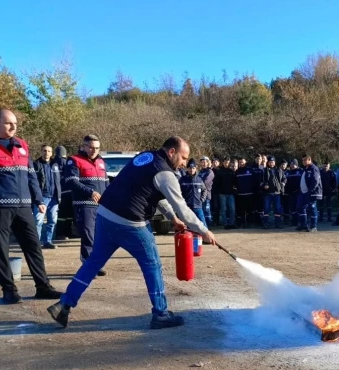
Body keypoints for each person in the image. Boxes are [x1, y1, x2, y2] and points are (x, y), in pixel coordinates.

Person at [47, 137, 217, 330]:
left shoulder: (145, 157)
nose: (185, 163)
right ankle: (161, 313)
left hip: (105, 214)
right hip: (130, 222)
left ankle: (65, 304)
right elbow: (183, 208)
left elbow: (151, 192)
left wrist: (171, 218)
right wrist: (204, 231)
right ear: (171, 152)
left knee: (94, 262)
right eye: (183, 157)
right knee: (152, 264)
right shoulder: (166, 173)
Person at [0, 108, 62, 304]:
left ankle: (43, 286)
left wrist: (38, 200)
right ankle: (9, 290)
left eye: (15, 124)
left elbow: (31, 176)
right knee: (1, 250)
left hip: (23, 207)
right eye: (8, 123)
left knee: (34, 247)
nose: (13, 127)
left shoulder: (21, 145)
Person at [65, 135, 109, 276]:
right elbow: (72, 181)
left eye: (96, 148)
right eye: (90, 147)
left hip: (101, 206)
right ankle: (89, 265)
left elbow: (106, 183)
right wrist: (90, 192)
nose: (93, 150)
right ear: (83, 146)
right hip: (84, 204)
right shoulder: (74, 161)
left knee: (99, 236)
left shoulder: (101, 162)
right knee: (88, 235)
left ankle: (96, 264)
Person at [32, 145, 61, 248]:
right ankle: (36, 243)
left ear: (52, 153)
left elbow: (58, 181)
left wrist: (59, 196)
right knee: (38, 221)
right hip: (41, 198)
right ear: (41, 151)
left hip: (54, 197)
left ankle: (48, 241)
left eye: (49, 151)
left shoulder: (55, 164)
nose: (47, 153)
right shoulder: (35, 165)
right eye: (44, 151)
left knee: (52, 221)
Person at [295, 155, 322, 232]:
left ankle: (314, 226)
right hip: (303, 193)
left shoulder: (314, 168)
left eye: (305, 160)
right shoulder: (305, 169)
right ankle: (304, 225)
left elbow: (315, 181)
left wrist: (310, 191)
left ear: (309, 160)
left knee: (313, 208)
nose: (303, 162)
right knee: (300, 207)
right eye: (302, 160)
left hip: (312, 193)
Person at [180, 160, 207, 226]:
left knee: (203, 225)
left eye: (193, 168)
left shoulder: (199, 179)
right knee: (187, 226)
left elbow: (204, 190)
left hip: (198, 206)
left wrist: (202, 199)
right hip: (187, 207)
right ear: (187, 168)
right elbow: (178, 191)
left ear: (196, 168)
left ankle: (204, 236)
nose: (191, 170)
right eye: (190, 168)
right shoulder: (182, 180)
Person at [261, 156, 285, 228]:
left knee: (277, 208)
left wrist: (283, 184)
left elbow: (284, 178)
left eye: (273, 162)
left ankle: (278, 223)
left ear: (275, 162)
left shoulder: (279, 170)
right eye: (270, 162)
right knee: (266, 209)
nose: (271, 163)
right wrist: (264, 185)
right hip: (267, 193)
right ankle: (266, 223)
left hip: (277, 193)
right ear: (268, 162)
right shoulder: (264, 171)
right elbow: (260, 181)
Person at [215, 158, 236, 229]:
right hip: (222, 193)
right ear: (223, 163)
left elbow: (235, 182)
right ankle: (225, 223)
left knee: (232, 209)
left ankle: (231, 223)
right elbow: (216, 183)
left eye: (228, 162)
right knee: (223, 209)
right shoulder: (219, 171)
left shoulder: (231, 171)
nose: (226, 164)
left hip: (230, 193)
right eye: (225, 162)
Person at [235, 157, 255, 228]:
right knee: (241, 210)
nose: (241, 163)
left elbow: (254, 181)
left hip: (250, 194)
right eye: (240, 162)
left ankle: (250, 223)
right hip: (240, 194)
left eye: (242, 162)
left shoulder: (250, 170)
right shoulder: (237, 171)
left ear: (245, 162)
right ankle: (242, 223)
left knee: (250, 210)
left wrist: (253, 190)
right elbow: (235, 182)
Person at [284, 160, 303, 226]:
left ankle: (300, 221)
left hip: (299, 192)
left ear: (296, 165)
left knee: (299, 207)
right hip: (290, 193)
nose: (292, 165)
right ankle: (294, 221)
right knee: (292, 208)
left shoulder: (300, 171)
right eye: (291, 164)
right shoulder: (287, 172)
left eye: (293, 164)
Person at [198, 156, 214, 226]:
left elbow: (205, 182)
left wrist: (198, 184)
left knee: (207, 211)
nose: (204, 164)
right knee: (201, 211)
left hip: (207, 195)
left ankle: (209, 225)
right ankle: (204, 225)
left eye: (205, 162)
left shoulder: (210, 172)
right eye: (202, 162)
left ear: (207, 163)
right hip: (199, 195)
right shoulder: (200, 172)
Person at [251, 156, 265, 225]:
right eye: (257, 159)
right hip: (253, 190)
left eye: (259, 159)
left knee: (261, 206)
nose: (258, 160)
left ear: (261, 159)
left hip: (261, 190)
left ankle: (261, 221)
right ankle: (255, 220)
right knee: (254, 206)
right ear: (255, 159)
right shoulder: (251, 168)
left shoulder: (263, 168)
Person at [210, 157, 220, 225]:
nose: (214, 163)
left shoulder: (220, 170)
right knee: (214, 206)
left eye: (216, 162)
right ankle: (215, 220)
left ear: (218, 163)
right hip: (212, 191)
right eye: (213, 162)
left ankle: (219, 220)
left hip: (220, 191)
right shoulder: (210, 171)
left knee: (219, 206)